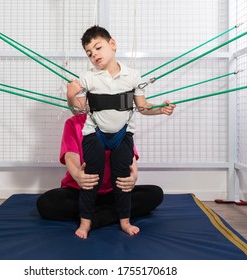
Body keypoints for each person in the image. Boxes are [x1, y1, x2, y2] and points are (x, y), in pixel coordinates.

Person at [66, 26, 176, 239]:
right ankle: (85, 222)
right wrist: (71, 96)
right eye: (89, 53)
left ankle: (124, 222)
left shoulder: (133, 76)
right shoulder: (88, 77)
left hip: (123, 135)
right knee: (90, 178)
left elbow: (143, 108)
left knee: (123, 179)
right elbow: (78, 109)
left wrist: (160, 109)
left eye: (98, 47)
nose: (94, 54)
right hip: (94, 133)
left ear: (112, 44)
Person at [36, 113, 165, 235]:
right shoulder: (73, 123)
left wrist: (134, 176)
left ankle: (94, 218)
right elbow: (70, 155)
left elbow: (128, 153)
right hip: (81, 190)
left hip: (112, 192)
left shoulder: (119, 122)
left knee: (154, 194)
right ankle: (110, 212)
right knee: (46, 204)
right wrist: (77, 175)